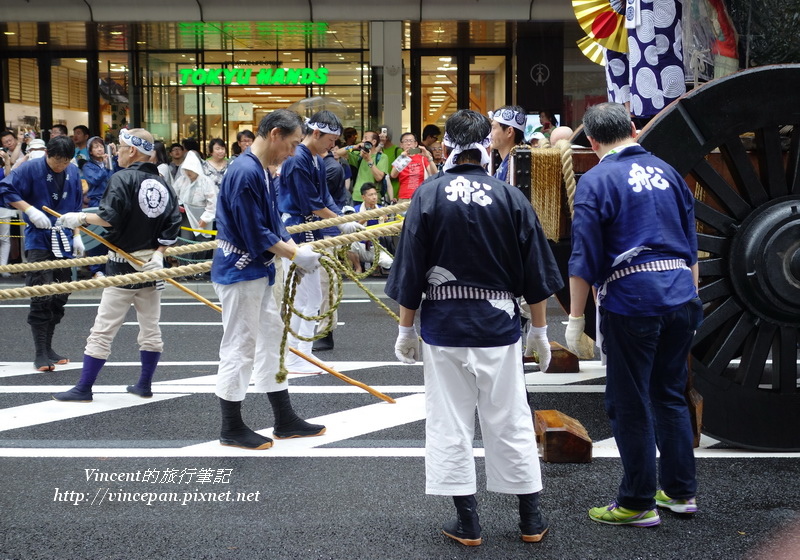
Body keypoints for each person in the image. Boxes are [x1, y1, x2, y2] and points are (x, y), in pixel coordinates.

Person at [385, 109, 563, 546]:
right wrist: (539, 332)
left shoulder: (427, 196)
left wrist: (406, 329)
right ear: (486, 146)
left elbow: (410, 273)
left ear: (445, 147)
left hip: (444, 327)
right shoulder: (510, 197)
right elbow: (535, 274)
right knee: (511, 419)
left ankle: (468, 523)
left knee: (450, 422)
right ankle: (530, 520)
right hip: (499, 326)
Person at [566, 102, 701, 527]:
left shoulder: (597, 179)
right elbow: (691, 243)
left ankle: (637, 501)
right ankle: (680, 492)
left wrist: (574, 319)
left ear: (591, 141)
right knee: (670, 393)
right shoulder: (668, 172)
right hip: (681, 293)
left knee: (630, 401)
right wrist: (689, 297)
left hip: (633, 298)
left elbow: (584, 256)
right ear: (635, 129)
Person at [211, 109, 326, 450]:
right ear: (275, 134)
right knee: (239, 346)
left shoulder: (260, 170)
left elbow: (274, 223)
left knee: (272, 338)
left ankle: (284, 418)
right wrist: (295, 254)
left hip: (257, 270)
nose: (293, 152)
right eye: (291, 144)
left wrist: (295, 250)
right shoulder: (245, 171)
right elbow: (253, 232)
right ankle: (231, 426)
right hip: (239, 269)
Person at [51, 128, 182, 402]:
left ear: (132, 151)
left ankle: (84, 387)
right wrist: (159, 254)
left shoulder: (122, 178)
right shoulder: (162, 182)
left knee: (103, 329)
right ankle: (144, 385)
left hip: (122, 265)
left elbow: (109, 217)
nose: (117, 152)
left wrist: (81, 219)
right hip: (151, 266)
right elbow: (172, 223)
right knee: (150, 328)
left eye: (120, 147)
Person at [277, 110, 363, 373]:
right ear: (316, 133)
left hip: (311, 230)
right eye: (330, 140)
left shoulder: (314, 159)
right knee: (300, 298)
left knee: (312, 297)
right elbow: (311, 203)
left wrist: (341, 219)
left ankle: (303, 354)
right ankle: (293, 358)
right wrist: (339, 222)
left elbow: (324, 199)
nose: (333, 146)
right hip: (296, 229)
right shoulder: (298, 160)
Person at [0, 136, 84, 371]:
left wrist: (77, 235)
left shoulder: (73, 172)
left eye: (66, 162)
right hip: (39, 238)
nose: (61, 166)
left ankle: (48, 347)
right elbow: (6, 187)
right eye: (58, 161)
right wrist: (29, 209)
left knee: (61, 293)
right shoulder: (30, 167)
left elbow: (77, 208)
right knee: (41, 293)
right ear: (48, 153)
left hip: (64, 237)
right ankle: (39, 353)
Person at [81, 136, 116, 279]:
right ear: (90, 151)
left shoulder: (111, 161)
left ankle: (111, 267)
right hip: (97, 202)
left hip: (112, 200)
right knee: (96, 236)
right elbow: (94, 179)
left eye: (101, 146)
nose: (100, 149)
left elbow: (118, 174)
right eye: (95, 147)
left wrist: (115, 157)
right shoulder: (87, 166)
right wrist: (106, 165)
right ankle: (96, 269)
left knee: (112, 236)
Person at [346, 183, 394, 274]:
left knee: (388, 262)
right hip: (360, 246)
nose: (374, 197)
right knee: (349, 244)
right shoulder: (356, 210)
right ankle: (358, 268)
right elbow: (351, 229)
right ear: (363, 197)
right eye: (371, 195)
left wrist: (385, 221)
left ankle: (376, 267)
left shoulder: (382, 210)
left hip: (376, 247)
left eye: (375, 194)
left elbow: (388, 232)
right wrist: (365, 218)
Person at [173, 150, 217, 240]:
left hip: (202, 215)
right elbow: (173, 195)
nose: (188, 173)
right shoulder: (182, 180)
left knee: (202, 243)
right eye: (186, 170)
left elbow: (212, 202)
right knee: (186, 242)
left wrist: (206, 218)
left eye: (191, 170)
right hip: (185, 216)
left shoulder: (206, 182)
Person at [340, 131, 391, 204]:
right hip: (357, 196)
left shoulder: (382, 157)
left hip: (373, 197)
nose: (363, 141)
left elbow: (379, 177)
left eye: (365, 138)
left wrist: (369, 160)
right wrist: (354, 146)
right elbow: (338, 153)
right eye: (363, 138)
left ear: (373, 142)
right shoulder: (358, 155)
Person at [389, 132, 437, 201]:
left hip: (420, 196)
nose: (408, 143)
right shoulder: (400, 159)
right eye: (406, 141)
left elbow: (434, 174)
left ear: (416, 144)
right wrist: (402, 157)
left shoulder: (422, 158)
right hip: (404, 197)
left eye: (411, 141)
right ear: (401, 145)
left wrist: (429, 157)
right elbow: (393, 175)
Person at [489, 105, 527, 183]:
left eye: (493, 128)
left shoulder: (516, 167)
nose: (490, 134)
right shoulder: (510, 163)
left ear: (509, 131)